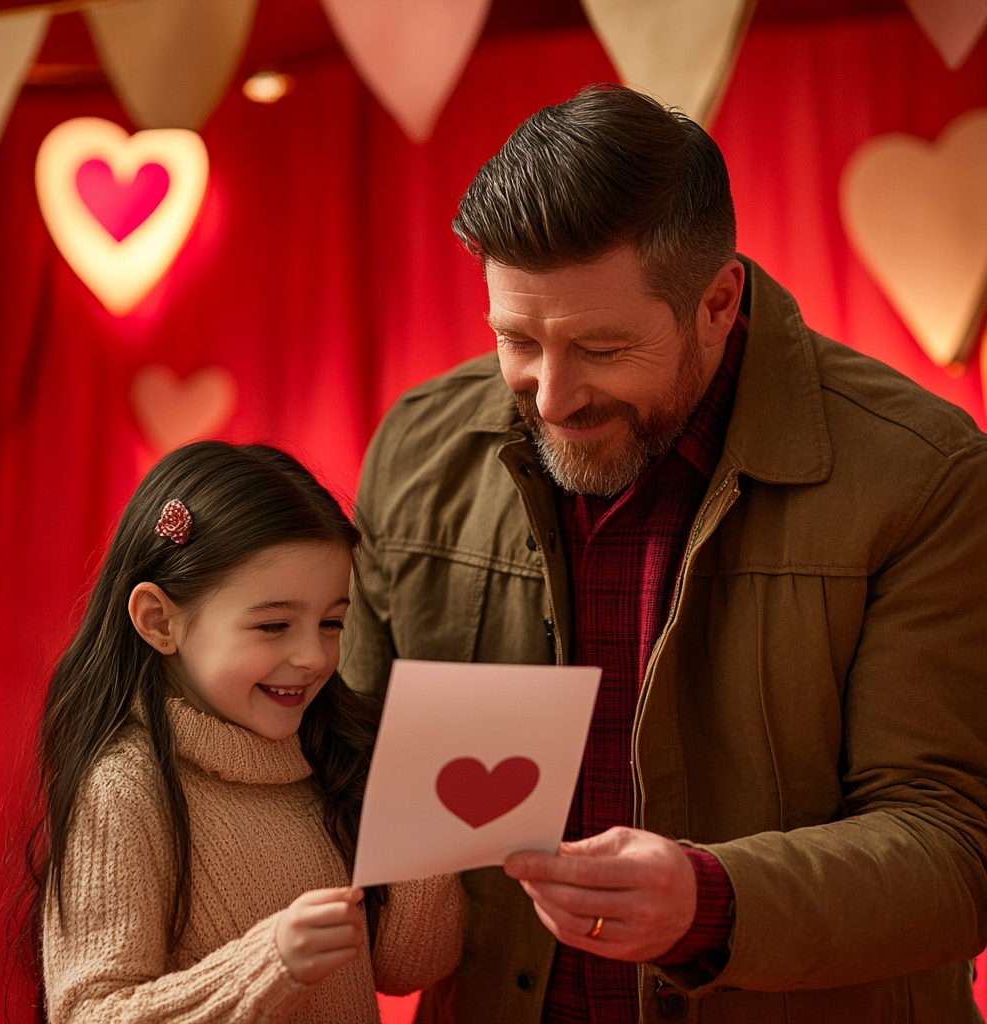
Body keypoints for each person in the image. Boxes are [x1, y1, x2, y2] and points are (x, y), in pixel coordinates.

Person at [343, 85, 987, 1023]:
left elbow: (954, 852)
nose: (552, 395)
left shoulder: (923, 474)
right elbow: (342, 774)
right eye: (515, 340)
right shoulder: (416, 448)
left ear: (719, 301)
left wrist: (710, 902)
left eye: (601, 348)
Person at [27, 441, 461, 1023]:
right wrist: (269, 963)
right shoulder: (124, 789)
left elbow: (408, 966)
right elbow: (90, 1012)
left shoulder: (325, 755)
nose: (312, 656)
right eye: (274, 624)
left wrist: (424, 825)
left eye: (331, 622)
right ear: (160, 621)